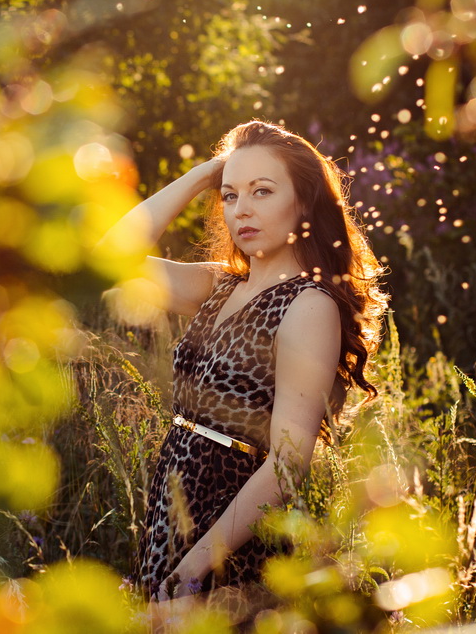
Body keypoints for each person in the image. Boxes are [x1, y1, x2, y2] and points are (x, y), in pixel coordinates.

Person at [99, 120, 387, 604]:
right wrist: (201, 176)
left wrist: (194, 566)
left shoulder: (308, 305)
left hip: (232, 526)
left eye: (262, 191)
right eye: (230, 196)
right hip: (174, 504)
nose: (242, 210)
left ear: (304, 202)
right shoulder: (221, 285)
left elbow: (290, 463)